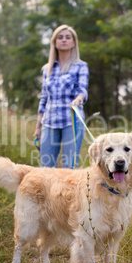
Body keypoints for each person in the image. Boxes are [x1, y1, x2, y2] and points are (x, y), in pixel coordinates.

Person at [33, 25, 89, 168]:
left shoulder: (81, 66)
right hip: (49, 121)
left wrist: (78, 99)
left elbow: (83, 90)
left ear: (73, 42)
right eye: (60, 37)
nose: (64, 40)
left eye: (67, 37)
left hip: (72, 121)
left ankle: (69, 192)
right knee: (46, 168)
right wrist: (38, 126)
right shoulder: (47, 69)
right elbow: (44, 98)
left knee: (70, 167)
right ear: (55, 42)